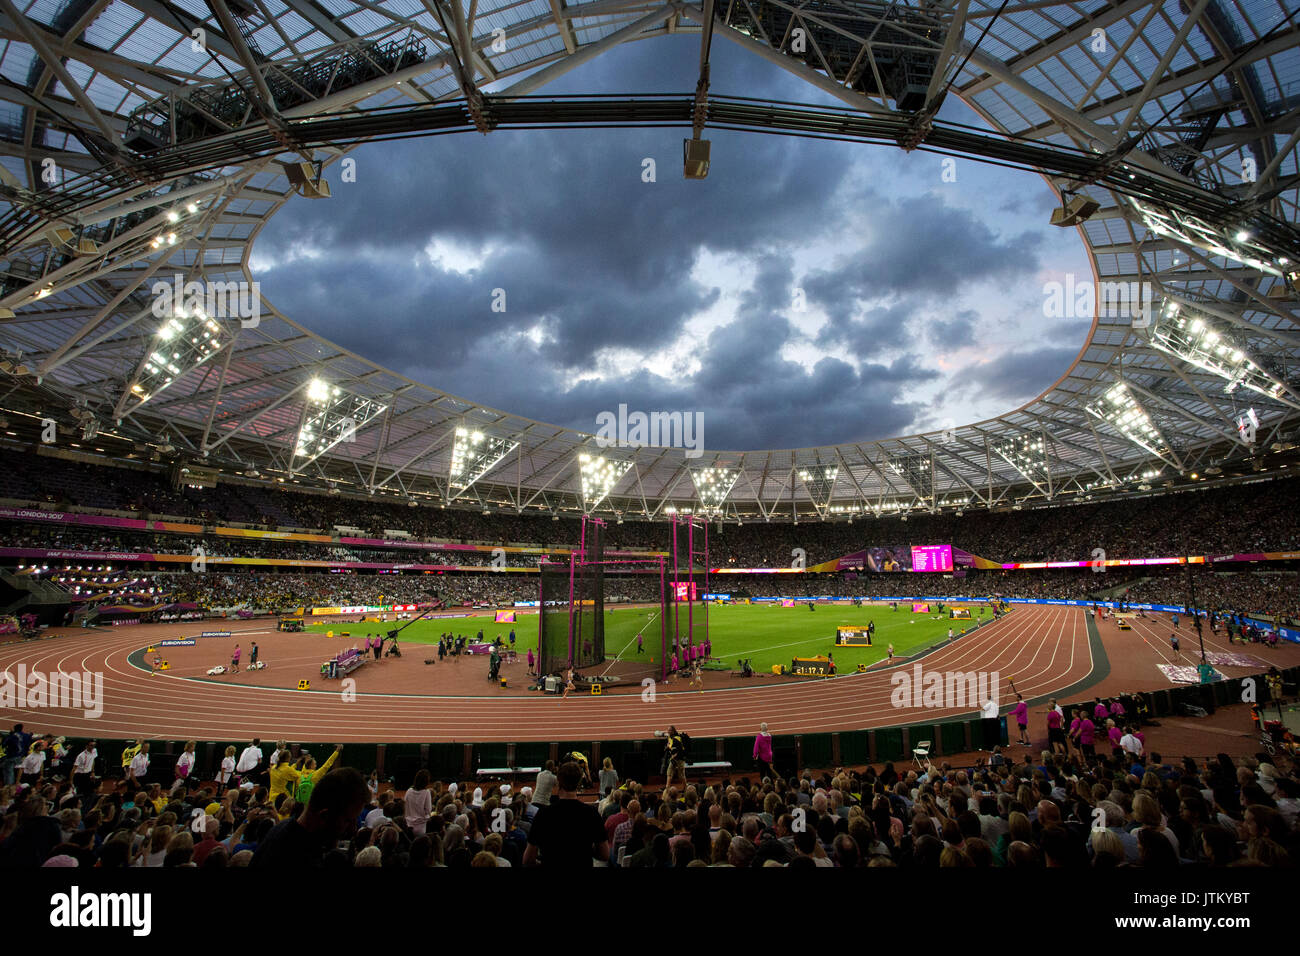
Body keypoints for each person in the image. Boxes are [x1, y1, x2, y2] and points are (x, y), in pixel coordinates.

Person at [252, 767, 370, 868]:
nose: (353, 828)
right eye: (348, 821)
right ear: (324, 815)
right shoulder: (298, 856)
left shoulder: (282, 830)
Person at [522, 762, 609, 867]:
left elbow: (527, 859)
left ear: (559, 782)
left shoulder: (544, 814)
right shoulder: (592, 813)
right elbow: (604, 855)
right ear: (579, 783)